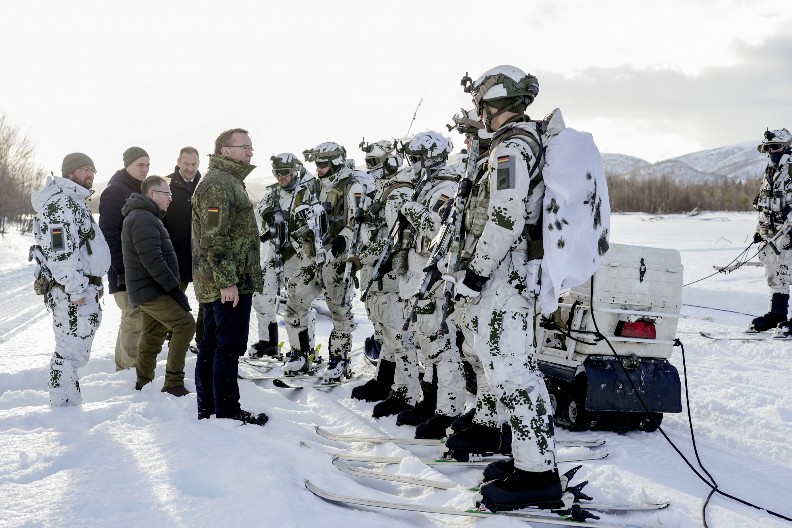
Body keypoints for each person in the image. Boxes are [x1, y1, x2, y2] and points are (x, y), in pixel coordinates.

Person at [444, 65, 562, 511]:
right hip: (506, 271)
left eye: (482, 103)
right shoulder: (513, 143)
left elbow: (507, 216)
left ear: (494, 102)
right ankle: (525, 459)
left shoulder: (511, 146)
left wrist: (476, 273)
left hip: (505, 273)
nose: (479, 110)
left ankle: (539, 476)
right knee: (503, 364)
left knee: (514, 371)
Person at [383, 131, 466, 439]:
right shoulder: (426, 185)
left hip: (435, 275)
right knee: (424, 342)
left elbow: (437, 227)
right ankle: (431, 403)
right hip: (417, 274)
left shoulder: (446, 187)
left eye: (416, 159)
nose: (412, 165)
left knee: (440, 345)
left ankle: (449, 410)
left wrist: (408, 207)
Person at [192, 128, 267, 425]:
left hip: (223, 281)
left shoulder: (228, 181)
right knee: (227, 347)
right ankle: (226, 411)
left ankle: (210, 409)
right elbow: (213, 237)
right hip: (226, 283)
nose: (250, 152)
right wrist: (227, 281)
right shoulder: (219, 185)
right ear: (225, 150)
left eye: (251, 147)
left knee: (213, 345)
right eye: (245, 147)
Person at [31, 153, 111, 405]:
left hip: (83, 287)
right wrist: (76, 289)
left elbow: (82, 249)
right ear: (69, 175)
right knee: (69, 351)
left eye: (93, 170)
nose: (90, 174)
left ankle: (68, 401)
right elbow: (60, 253)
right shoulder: (60, 204)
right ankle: (64, 407)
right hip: (71, 293)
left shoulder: (75, 202)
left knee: (76, 350)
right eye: (84, 169)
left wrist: (94, 283)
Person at [284, 142, 368, 382]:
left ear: (337, 162)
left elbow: (357, 222)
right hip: (312, 258)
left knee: (340, 312)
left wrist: (341, 243)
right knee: (294, 306)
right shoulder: (311, 187)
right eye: (316, 164)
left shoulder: (352, 186)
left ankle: (339, 360)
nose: (318, 168)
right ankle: (300, 354)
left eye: (323, 164)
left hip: (337, 259)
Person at [352, 140, 423, 410]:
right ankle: (385, 381)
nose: (369, 168)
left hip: (391, 273)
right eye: (367, 162)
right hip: (377, 275)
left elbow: (392, 239)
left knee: (399, 336)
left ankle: (407, 393)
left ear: (392, 162)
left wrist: (363, 258)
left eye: (374, 162)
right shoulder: (381, 191)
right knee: (383, 333)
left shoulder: (398, 193)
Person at [121, 175, 195, 396]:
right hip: (151, 289)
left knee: (152, 336)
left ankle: (143, 384)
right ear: (152, 194)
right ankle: (174, 383)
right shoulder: (143, 219)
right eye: (167, 194)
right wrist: (175, 291)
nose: (171, 198)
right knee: (185, 324)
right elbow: (153, 262)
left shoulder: (146, 216)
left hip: (149, 289)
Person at [249, 153, 315, 359]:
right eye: (277, 172)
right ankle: (268, 342)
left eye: (285, 172)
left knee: (298, 303)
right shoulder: (274, 192)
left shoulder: (307, 191)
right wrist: (268, 213)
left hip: (298, 253)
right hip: (275, 250)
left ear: (295, 171)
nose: (281, 177)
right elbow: (259, 210)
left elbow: (315, 220)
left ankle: (304, 348)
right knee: (261, 296)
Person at [99, 147, 150, 371]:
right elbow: (109, 234)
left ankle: (124, 370)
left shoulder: (137, 188)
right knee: (134, 319)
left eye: (148, 165)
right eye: (141, 164)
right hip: (125, 270)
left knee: (133, 319)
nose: (145, 169)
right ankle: (129, 372)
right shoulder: (116, 191)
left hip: (138, 269)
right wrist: (119, 269)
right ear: (127, 164)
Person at [749, 128, 792, 337]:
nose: (770, 152)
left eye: (775, 147)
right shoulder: (770, 171)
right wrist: (760, 229)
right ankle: (777, 315)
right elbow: (764, 202)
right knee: (775, 274)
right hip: (772, 233)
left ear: (786, 147)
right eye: (767, 148)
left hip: (790, 231)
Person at [163, 147, 203, 353]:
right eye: (186, 164)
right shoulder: (167, 184)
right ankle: (175, 342)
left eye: (194, 164)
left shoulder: (204, 185)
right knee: (175, 299)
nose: (190, 168)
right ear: (178, 161)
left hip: (201, 255)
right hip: (175, 255)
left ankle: (202, 340)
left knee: (206, 301)